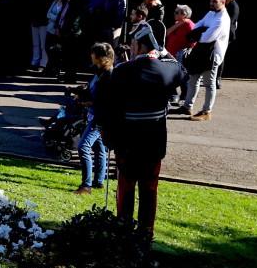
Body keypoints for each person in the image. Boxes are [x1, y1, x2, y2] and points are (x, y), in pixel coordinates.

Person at [95, 23, 187, 239]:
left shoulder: (122, 72)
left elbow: (106, 107)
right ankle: (146, 233)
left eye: (134, 42)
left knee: (126, 187)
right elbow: (183, 72)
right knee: (149, 189)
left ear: (138, 46)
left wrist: (107, 136)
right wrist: (164, 51)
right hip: (153, 141)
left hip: (127, 141)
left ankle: (123, 231)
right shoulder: (168, 69)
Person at [177, 0, 231, 121]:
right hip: (200, 52)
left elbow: (207, 37)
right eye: (211, 1)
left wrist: (199, 33)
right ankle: (187, 106)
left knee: (209, 84)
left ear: (223, 2)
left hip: (213, 55)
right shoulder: (211, 13)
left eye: (215, 1)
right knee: (193, 79)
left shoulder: (222, 19)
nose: (211, 3)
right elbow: (199, 24)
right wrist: (200, 30)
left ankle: (207, 111)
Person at [73, 43, 114, 194]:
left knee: (83, 147)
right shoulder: (99, 72)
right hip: (95, 115)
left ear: (99, 57)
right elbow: (94, 91)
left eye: (93, 53)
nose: (91, 56)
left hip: (100, 118)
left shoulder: (108, 75)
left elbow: (108, 100)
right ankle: (99, 182)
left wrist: (92, 102)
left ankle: (86, 186)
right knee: (99, 149)